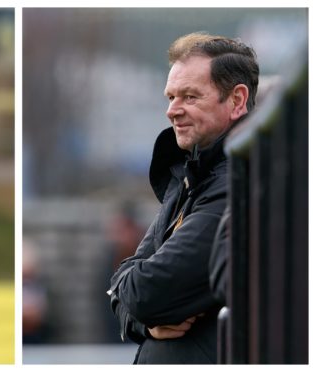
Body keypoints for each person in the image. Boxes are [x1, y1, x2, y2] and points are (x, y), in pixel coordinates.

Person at [108, 32, 259, 364]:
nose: (172, 111)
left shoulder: (240, 184)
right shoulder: (190, 176)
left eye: (189, 97)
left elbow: (148, 292)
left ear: (236, 100)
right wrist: (145, 325)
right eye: (170, 97)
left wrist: (139, 306)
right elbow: (123, 286)